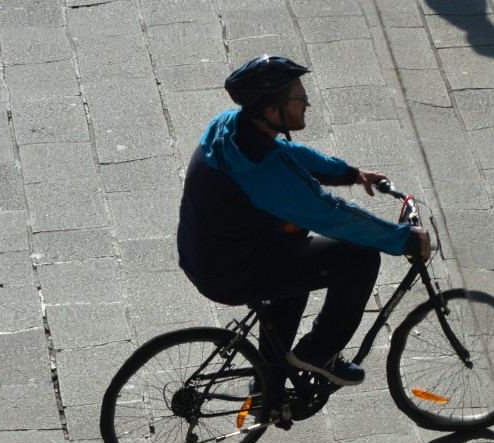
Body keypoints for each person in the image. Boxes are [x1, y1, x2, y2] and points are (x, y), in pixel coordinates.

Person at [177, 54, 431, 388]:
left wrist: (350, 174)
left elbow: (287, 154)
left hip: (211, 254)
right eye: (299, 100)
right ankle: (319, 351)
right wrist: (404, 239)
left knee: (296, 248)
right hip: (230, 274)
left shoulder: (230, 127)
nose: (307, 104)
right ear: (272, 111)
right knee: (360, 258)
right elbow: (333, 215)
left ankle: (267, 386)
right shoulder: (264, 173)